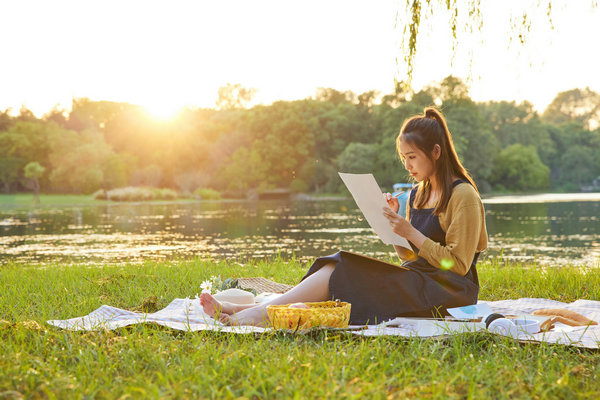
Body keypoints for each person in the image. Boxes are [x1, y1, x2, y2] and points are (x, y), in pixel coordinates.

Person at [200, 107, 487, 326]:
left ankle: (255, 315)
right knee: (339, 266)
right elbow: (410, 260)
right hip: (419, 280)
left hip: (451, 293)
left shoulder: (463, 196)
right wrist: (393, 229)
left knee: (345, 268)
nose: (408, 165)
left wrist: (410, 232)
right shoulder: (417, 194)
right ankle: (249, 311)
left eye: (412, 157)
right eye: (403, 158)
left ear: (435, 152)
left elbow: (459, 265)